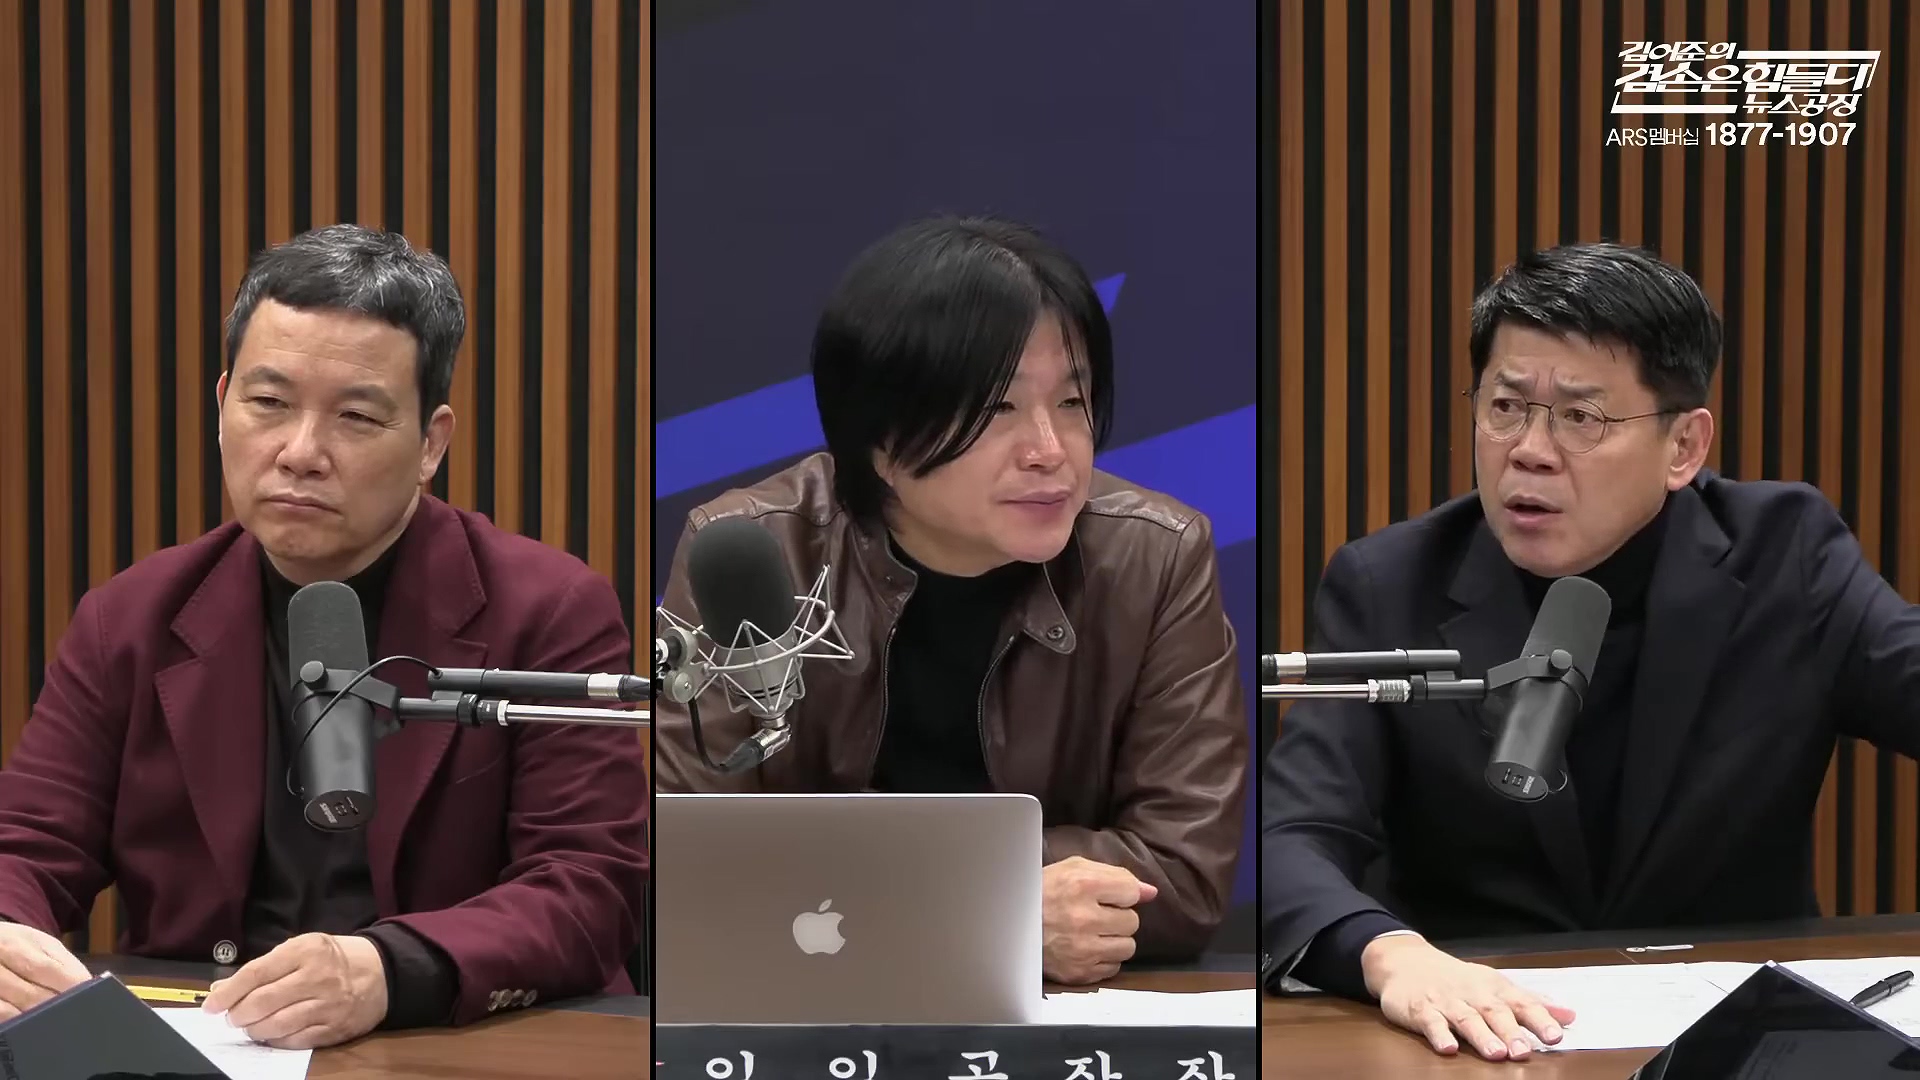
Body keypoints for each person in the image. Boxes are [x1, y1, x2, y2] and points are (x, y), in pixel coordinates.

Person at [1261, 242, 1920, 1062]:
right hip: (1483, 1044)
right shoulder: (1392, 584)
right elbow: (1292, 835)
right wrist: (1394, 956)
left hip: (1737, 1048)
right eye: (1506, 406)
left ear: (1683, 448)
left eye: (1581, 418)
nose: (1529, 449)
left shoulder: (1786, 555)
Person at [0, 225, 649, 1048]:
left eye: (356, 417)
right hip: (197, 1044)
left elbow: (588, 885)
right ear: (222, 404)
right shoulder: (130, 617)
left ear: (431, 444)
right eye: (268, 404)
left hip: (448, 1046)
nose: (300, 453)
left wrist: (390, 968)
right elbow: (28, 843)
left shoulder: (546, 609)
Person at [652, 216, 1248, 984]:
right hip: (810, 991)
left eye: (1072, 402)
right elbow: (695, 856)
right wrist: (985, 910)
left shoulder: (1157, 556)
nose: (1050, 450)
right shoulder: (756, 548)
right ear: (881, 439)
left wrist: (859, 883)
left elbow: (1184, 873)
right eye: (999, 410)